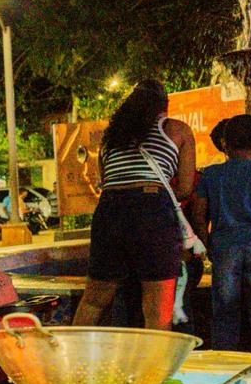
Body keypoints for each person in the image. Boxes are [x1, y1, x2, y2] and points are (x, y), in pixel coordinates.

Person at [72, 80, 196, 330]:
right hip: (150, 209)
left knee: (94, 301)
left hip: (109, 209)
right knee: (157, 311)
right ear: (165, 105)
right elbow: (184, 188)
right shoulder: (177, 130)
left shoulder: (112, 137)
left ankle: (71, 362)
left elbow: (106, 182)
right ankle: (156, 368)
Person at [190, 114, 251, 352]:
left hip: (224, 248)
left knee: (225, 312)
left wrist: (205, 244)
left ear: (225, 143)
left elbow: (198, 214)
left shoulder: (211, 175)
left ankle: (224, 359)